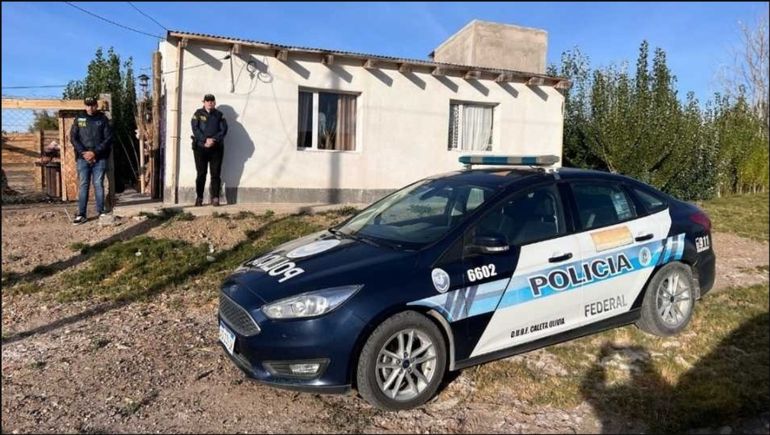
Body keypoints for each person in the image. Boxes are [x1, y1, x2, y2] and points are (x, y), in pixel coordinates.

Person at [70, 97, 112, 225]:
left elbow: (108, 138)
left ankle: (101, 212)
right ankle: (81, 214)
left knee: (98, 184)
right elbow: (73, 138)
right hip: (83, 158)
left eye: (92, 105)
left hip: (100, 158)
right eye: (88, 105)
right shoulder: (79, 119)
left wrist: (94, 152)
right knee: (84, 185)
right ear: (85, 106)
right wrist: (84, 152)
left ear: (96, 105)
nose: (90, 108)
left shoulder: (103, 119)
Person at [191, 94, 228, 206]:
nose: (210, 103)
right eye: (207, 101)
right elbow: (195, 128)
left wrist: (214, 140)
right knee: (201, 174)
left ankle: (215, 198)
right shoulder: (198, 114)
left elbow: (224, 130)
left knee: (215, 174)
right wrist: (205, 140)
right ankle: (199, 197)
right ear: (204, 102)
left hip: (216, 148)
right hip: (200, 148)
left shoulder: (219, 115)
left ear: (215, 102)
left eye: (212, 101)